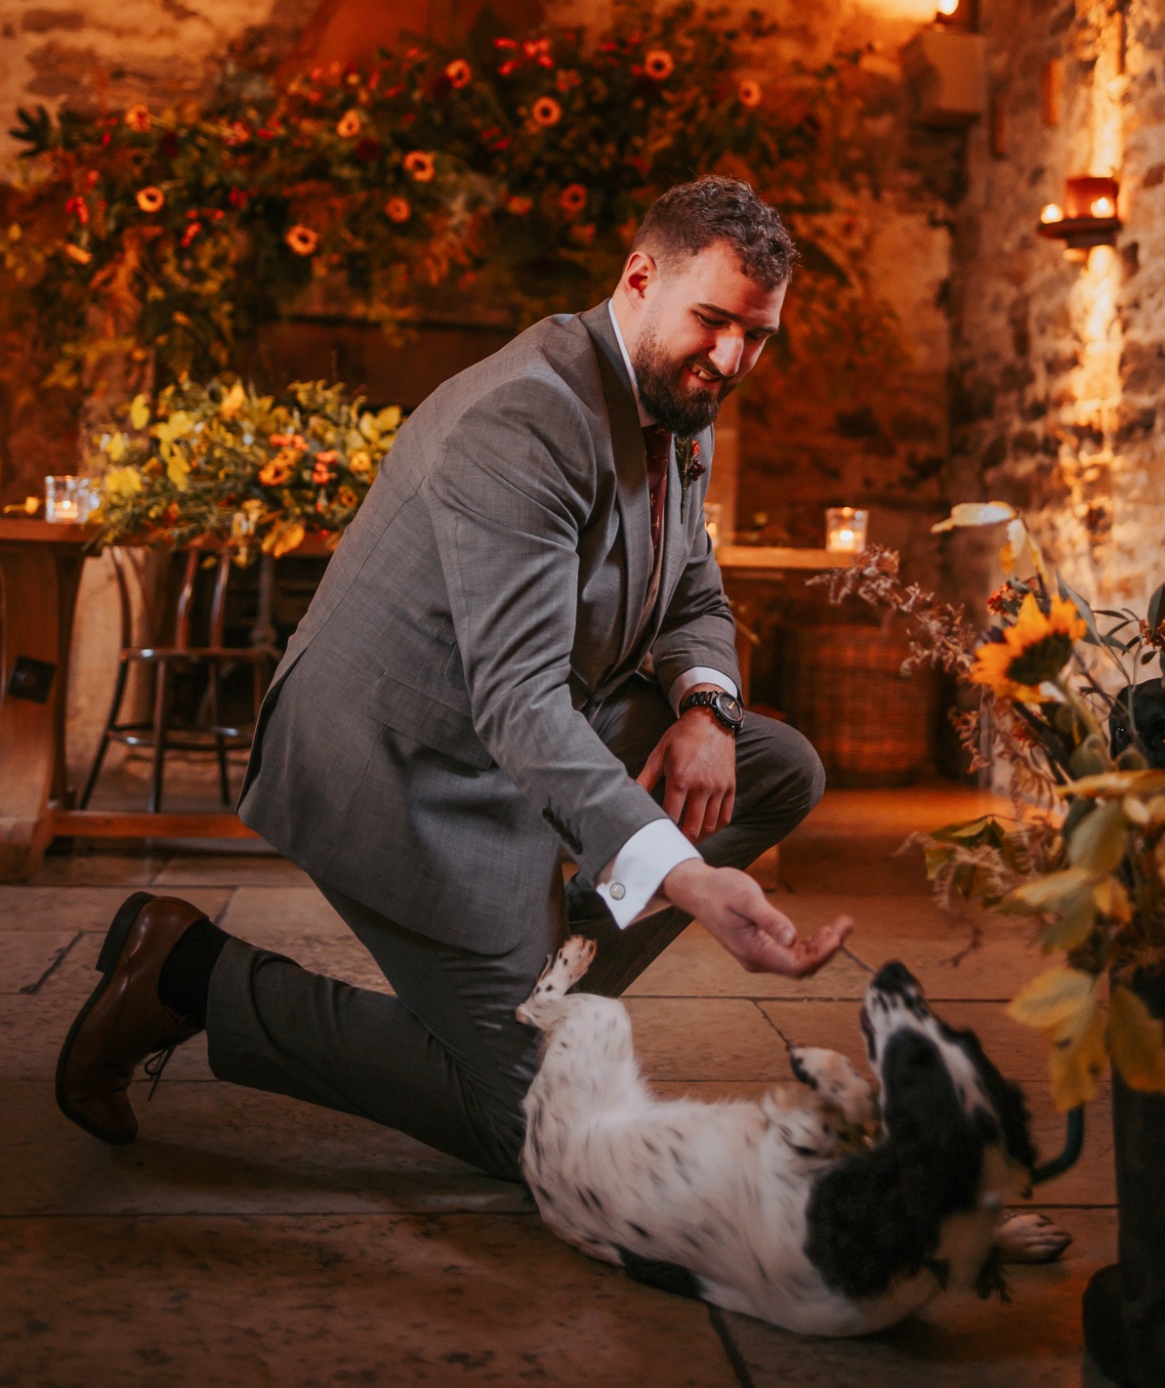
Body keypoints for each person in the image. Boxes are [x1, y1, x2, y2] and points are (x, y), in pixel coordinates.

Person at [57, 175, 852, 1182]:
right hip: (408, 763)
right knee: (535, 1134)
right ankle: (185, 973)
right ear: (640, 277)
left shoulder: (676, 397)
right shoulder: (521, 418)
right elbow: (515, 700)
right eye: (713, 322)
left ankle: (537, 984)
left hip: (534, 725)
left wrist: (704, 706)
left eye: (758, 334)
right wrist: (681, 873)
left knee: (772, 762)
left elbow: (692, 593)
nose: (733, 359)